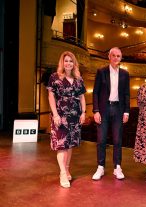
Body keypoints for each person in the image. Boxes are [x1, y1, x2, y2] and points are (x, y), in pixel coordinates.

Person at [47, 51, 86, 188]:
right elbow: (51, 97)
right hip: (60, 115)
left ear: (74, 63)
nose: (68, 63)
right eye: (66, 61)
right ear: (62, 63)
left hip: (75, 116)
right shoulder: (54, 77)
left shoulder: (78, 79)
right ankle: (63, 173)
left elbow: (82, 97)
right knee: (61, 144)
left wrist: (83, 113)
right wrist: (55, 115)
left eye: (71, 61)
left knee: (70, 145)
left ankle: (67, 168)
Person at [92, 47, 130, 180]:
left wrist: (127, 112)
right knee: (101, 139)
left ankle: (117, 167)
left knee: (117, 140)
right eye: (113, 55)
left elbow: (126, 94)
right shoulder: (101, 72)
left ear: (121, 58)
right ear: (109, 57)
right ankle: (100, 167)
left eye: (118, 56)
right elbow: (95, 92)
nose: (115, 58)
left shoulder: (125, 74)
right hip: (103, 109)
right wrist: (96, 111)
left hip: (118, 109)